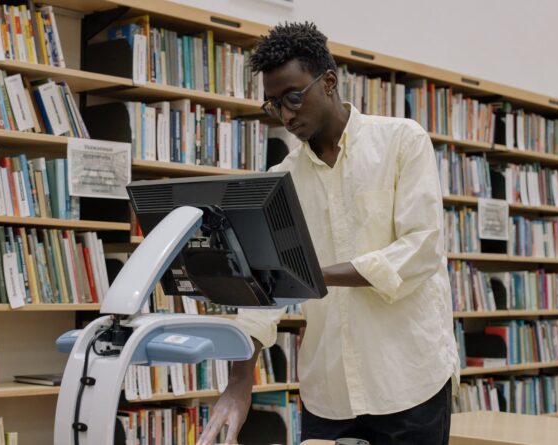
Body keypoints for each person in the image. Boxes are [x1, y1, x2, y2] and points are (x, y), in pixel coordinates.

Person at [196, 22, 459, 445]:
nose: (286, 115)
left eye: (293, 97)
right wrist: (238, 383)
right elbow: (262, 292)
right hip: (328, 394)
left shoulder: (402, 142)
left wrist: (315, 275)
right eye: (273, 105)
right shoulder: (279, 181)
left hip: (410, 382)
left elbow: (420, 249)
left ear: (329, 82)